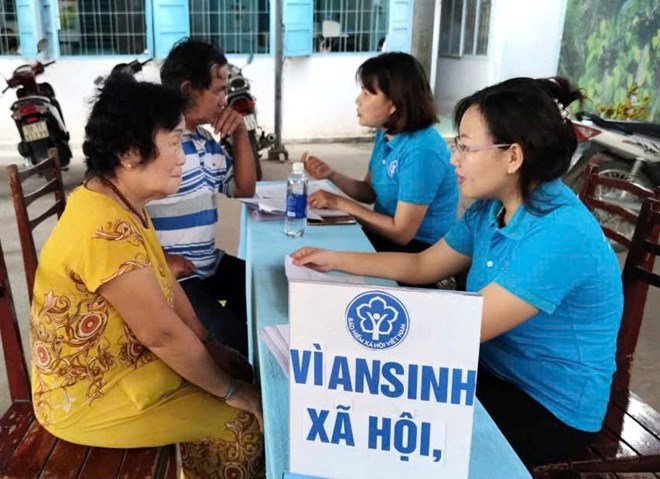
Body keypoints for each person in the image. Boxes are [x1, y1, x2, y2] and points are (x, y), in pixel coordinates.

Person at [292, 76, 624, 469]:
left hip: (548, 406)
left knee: (386, 432)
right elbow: (422, 264)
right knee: (368, 409)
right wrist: (332, 259)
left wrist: (343, 327)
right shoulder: (493, 205)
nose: (454, 159)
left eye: (465, 147)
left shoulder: (560, 233)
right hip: (490, 370)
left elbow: (463, 329)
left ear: (513, 157)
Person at [30, 76, 264, 479]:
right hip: (89, 396)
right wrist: (229, 391)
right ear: (129, 153)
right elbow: (162, 336)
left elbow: (166, 282)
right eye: (174, 143)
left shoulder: (121, 200)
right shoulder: (103, 226)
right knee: (242, 425)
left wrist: (209, 344)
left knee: (240, 369)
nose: (181, 157)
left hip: (129, 367)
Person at [147, 38, 257, 357]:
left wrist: (240, 134)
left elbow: (244, 190)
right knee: (231, 340)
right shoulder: (156, 142)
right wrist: (160, 260)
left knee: (262, 289)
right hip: (175, 277)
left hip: (207, 264)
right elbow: (121, 209)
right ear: (188, 90)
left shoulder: (205, 140)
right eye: (218, 91)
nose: (225, 100)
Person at [303, 53, 458, 265]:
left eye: (367, 94)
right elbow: (369, 192)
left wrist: (338, 202)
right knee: (311, 240)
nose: (358, 101)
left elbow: (402, 233)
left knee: (322, 256)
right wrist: (331, 175)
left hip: (420, 253)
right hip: (386, 239)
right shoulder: (387, 134)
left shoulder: (422, 151)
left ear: (394, 104)